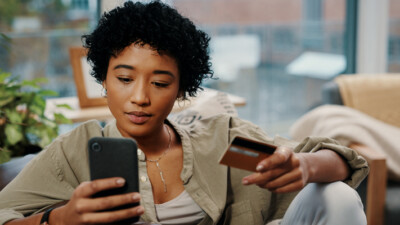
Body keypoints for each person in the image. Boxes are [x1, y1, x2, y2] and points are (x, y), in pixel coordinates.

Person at [0, 1, 368, 225]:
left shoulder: (222, 143)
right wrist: (59, 220)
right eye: (125, 78)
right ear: (105, 78)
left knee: (334, 195)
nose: (140, 97)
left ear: (181, 88)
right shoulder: (76, 151)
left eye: (160, 83)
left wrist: (305, 166)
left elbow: (342, 162)